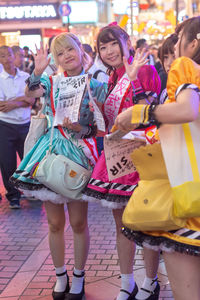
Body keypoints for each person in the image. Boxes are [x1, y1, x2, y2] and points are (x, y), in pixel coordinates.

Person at [11, 33, 107, 300]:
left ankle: (79, 274)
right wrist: (37, 70)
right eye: (61, 52)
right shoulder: (50, 81)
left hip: (79, 153)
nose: (67, 55)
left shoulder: (95, 84)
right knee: (54, 223)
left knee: (78, 222)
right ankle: (60, 275)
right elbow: (31, 95)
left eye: (70, 49)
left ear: (80, 49)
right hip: (51, 151)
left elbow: (101, 127)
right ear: (56, 58)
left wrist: (82, 127)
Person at [114, 16, 200, 300]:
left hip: (191, 202)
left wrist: (140, 114)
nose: (175, 52)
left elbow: (189, 109)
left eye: (179, 42)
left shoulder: (186, 67)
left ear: (194, 43)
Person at [82, 24, 161, 300]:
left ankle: (151, 282)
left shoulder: (146, 70)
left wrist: (134, 79)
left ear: (125, 42)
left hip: (142, 157)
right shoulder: (110, 78)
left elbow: (149, 115)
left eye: (112, 44)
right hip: (117, 157)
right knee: (123, 224)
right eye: (102, 47)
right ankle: (128, 282)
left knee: (147, 222)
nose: (108, 51)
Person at [0, 46, 34, 209]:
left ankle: (31, 191)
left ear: (15, 56)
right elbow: (1, 105)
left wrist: (12, 102)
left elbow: (32, 100)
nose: (7, 58)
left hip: (25, 124)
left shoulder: (26, 76)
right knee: (8, 163)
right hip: (5, 126)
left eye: (9, 55)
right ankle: (13, 196)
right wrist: (22, 100)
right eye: (3, 56)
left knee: (28, 160)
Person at [158, 34, 178, 103]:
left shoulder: (191, 89)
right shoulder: (165, 92)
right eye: (165, 57)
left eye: (174, 56)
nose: (169, 63)